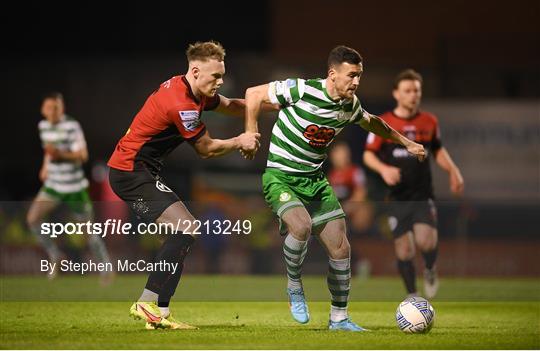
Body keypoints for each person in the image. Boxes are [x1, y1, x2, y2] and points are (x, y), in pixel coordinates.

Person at [243, 45, 426, 331]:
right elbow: (253, 94)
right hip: (280, 176)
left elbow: (375, 123)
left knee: (341, 248)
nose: (356, 81)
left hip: (315, 180)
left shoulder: (350, 106)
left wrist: (407, 143)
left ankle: (339, 319)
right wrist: (250, 132)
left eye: (360, 76)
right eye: (352, 75)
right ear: (332, 74)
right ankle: (293, 285)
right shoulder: (302, 90)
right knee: (300, 227)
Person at [107, 41, 271, 330]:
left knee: (181, 236)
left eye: (221, 76)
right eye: (215, 77)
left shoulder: (192, 90)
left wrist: (270, 104)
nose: (220, 82)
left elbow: (232, 105)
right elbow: (206, 149)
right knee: (187, 228)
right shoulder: (182, 104)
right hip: (130, 172)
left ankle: (160, 313)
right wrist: (239, 141)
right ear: (195, 71)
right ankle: (145, 303)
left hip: (141, 172)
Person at [363, 69, 464, 299]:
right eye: (407, 91)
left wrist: (453, 170)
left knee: (426, 242)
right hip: (396, 196)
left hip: (422, 194)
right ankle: (413, 297)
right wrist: (384, 168)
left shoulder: (429, 121)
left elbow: (437, 150)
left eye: (416, 91)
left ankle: (430, 269)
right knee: (405, 249)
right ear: (396, 94)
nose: (413, 95)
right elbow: (368, 155)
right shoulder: (384, 123)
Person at [26, 92, 113, 283]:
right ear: (43, 110)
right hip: (53, 186)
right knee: (32, 218)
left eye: (57, 108)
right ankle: (55, 255)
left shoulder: (71, 126)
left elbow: (82, 155)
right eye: (50, 108)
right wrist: (45, 166)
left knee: (87, 231)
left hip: (74, 187)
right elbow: (48, 152)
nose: (54, 112)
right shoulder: (43, 127)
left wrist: (61, 155)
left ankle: (105, 266)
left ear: (62, 108)